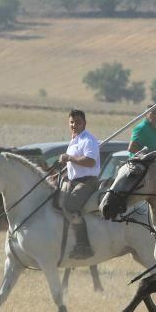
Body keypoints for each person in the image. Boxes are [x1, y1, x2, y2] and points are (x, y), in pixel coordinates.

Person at [59, 110, 100, 259]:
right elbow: (74, 167)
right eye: (71, 122)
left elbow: (90, 162)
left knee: (70, 206)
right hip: (73, 181)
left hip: (88, 182)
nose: (74, 125)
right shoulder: (74, 140)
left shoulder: (88, 140)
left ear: (84, 123)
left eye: (77, 122)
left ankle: (84, 246)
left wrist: (70, 157)